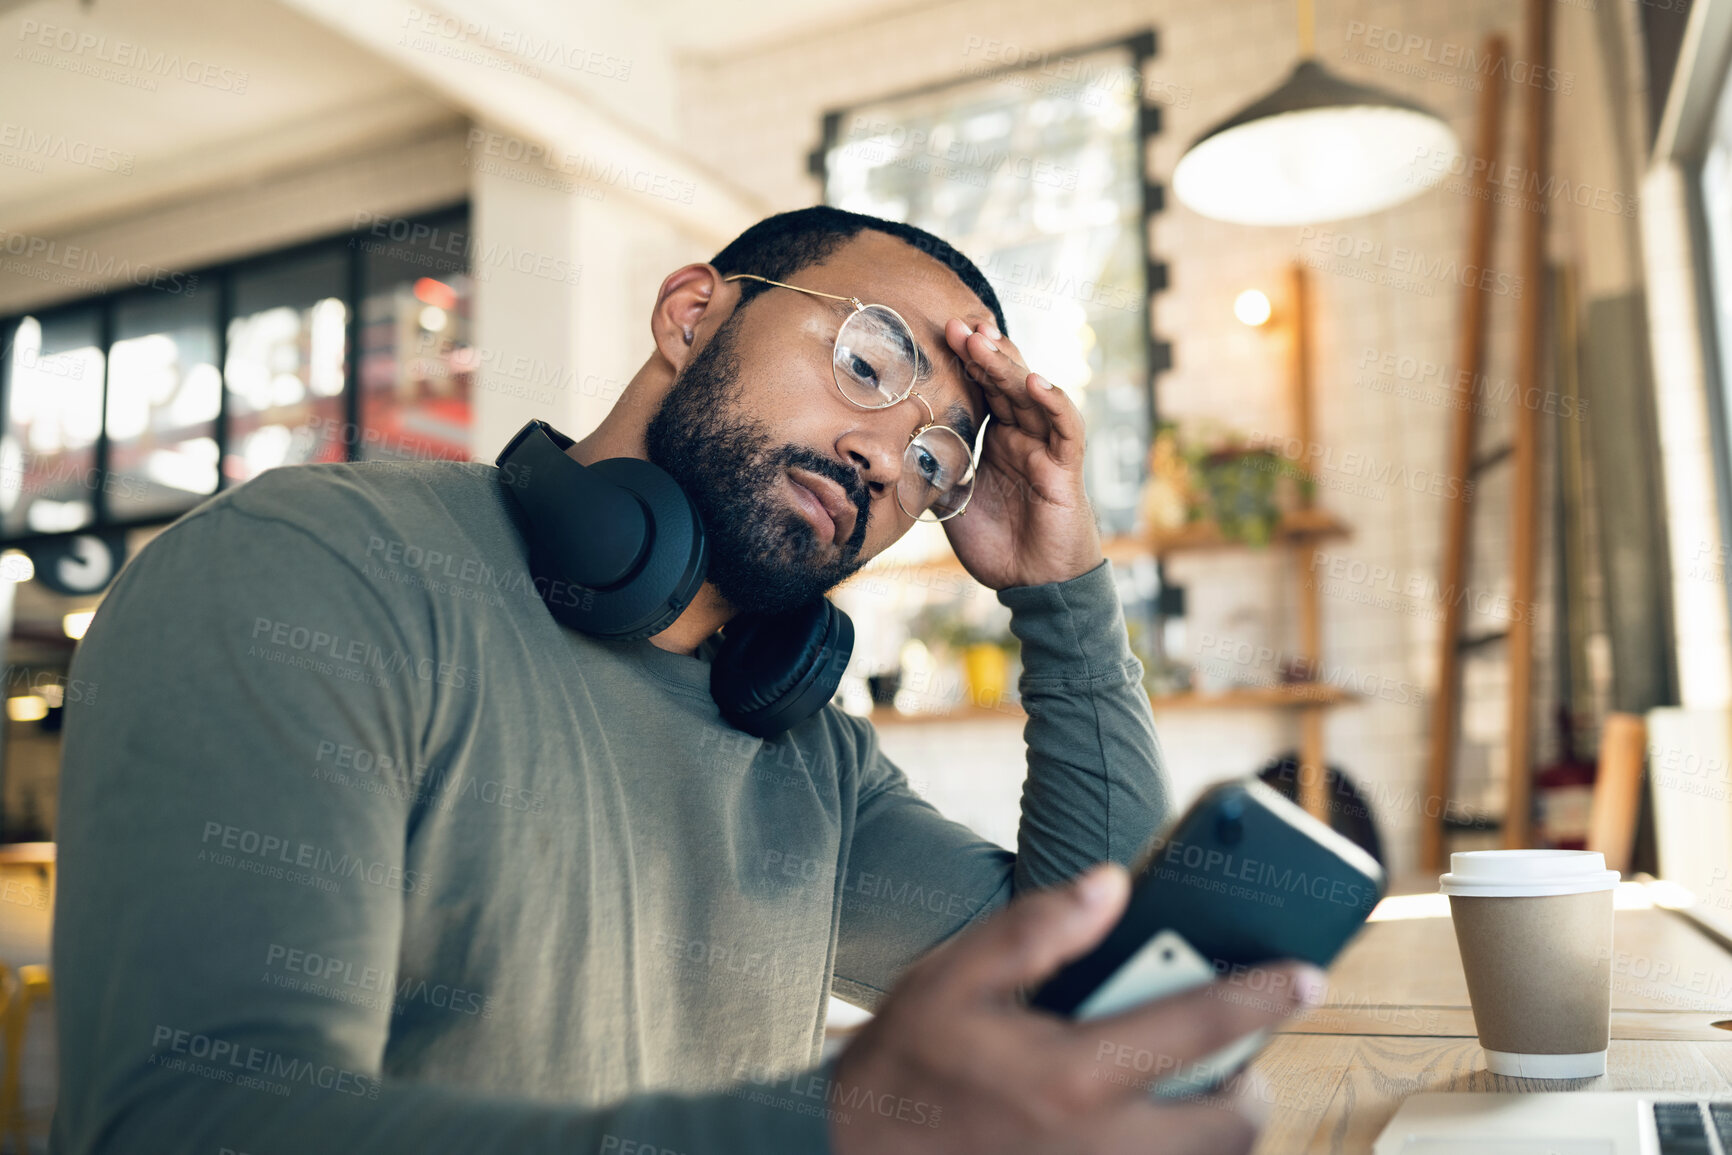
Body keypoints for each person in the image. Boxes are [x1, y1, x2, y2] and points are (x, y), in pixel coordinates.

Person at [51, 206, 1323, 1154]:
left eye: (939, 460)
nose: (889, 454)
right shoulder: (315, 573)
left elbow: (1085, 984)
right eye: (868, 362)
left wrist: (1061, 591)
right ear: (691, 314)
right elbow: (193, 1120)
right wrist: (840, 1132)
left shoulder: (814, 763)